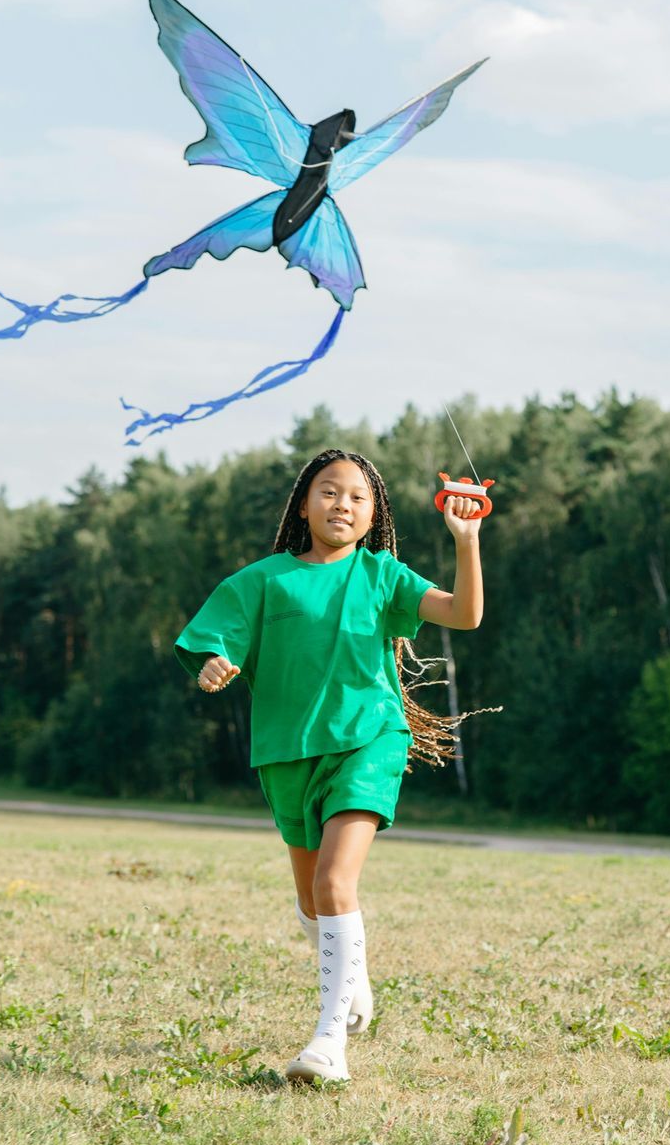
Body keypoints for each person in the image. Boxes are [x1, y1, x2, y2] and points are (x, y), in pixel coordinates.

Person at [175, 449, 486, 1085]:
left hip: (368, 740)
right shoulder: (262, 581)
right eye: (328, 491)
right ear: (303, 504)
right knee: (312, 901)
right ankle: (354, 973)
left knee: (335, 886)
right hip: (287, 755)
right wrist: (212, 665)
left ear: (374, 517)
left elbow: (465, 613)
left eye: (357, 497)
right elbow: (212, 642)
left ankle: (327, 1044)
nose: (341, 504)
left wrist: (467, 540)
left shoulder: (382, 575)